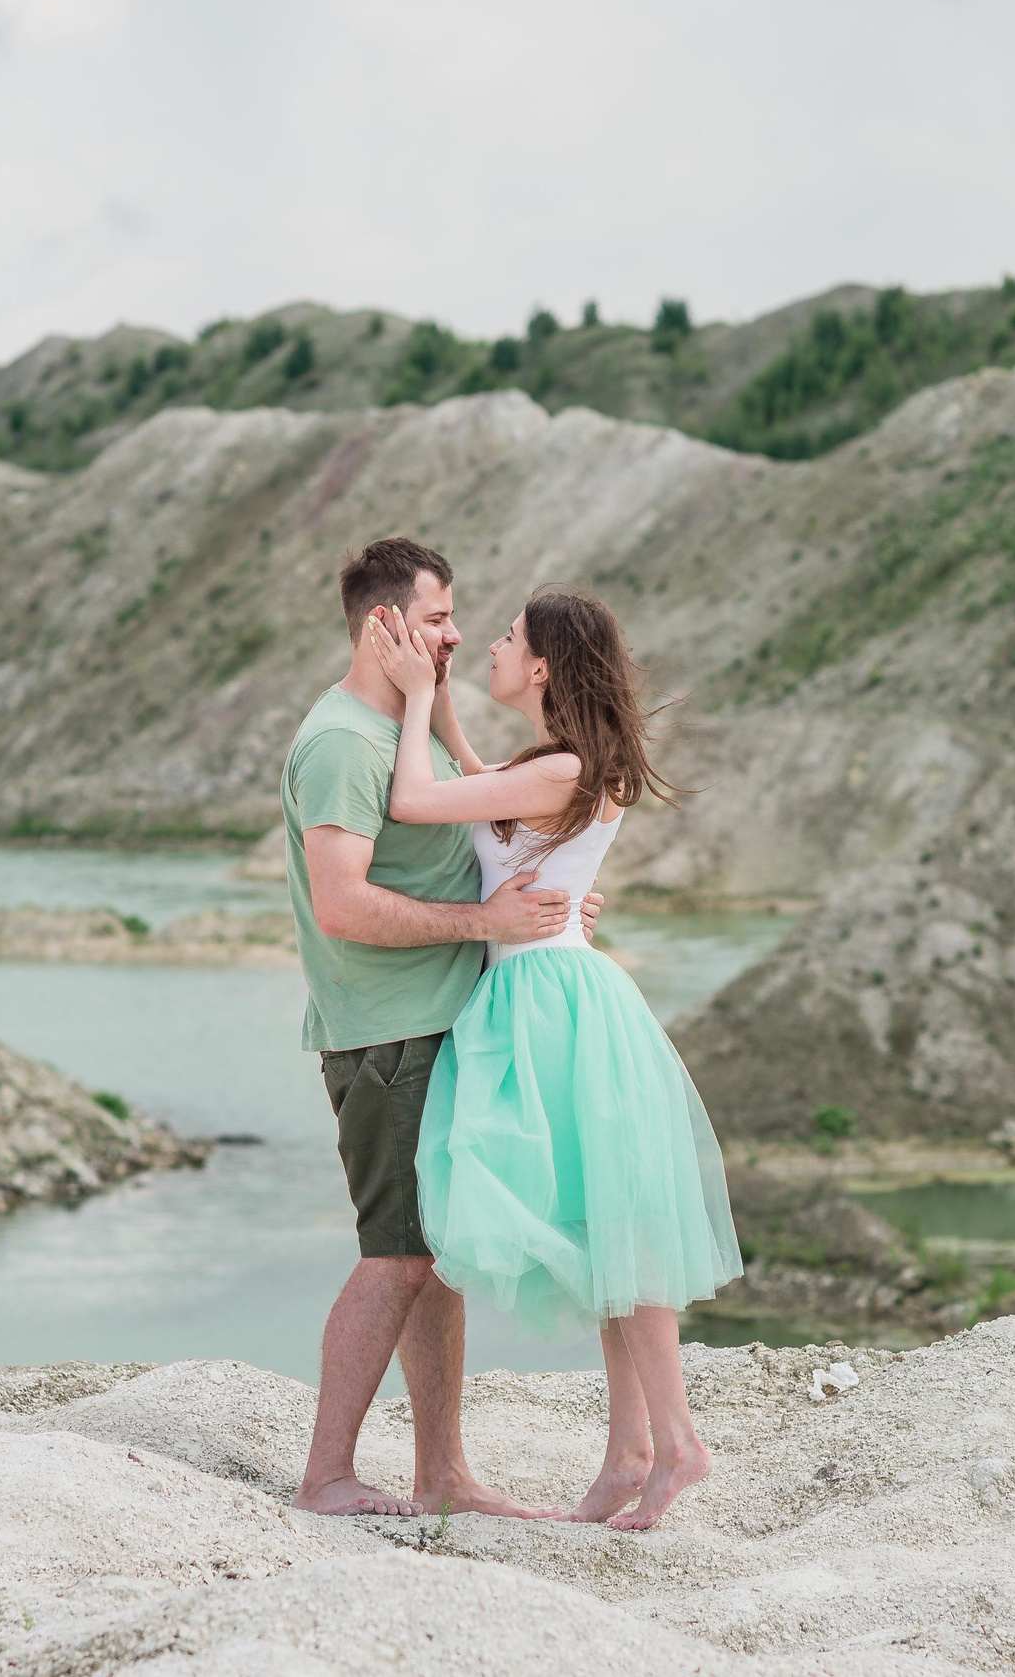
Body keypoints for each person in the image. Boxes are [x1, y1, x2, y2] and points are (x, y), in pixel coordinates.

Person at [366, 584, 741, 1531]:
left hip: (548, 1003)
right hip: (562, 994)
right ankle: (631, 1454)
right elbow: (492, 801)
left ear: (540, 666)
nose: (487, 643)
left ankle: (677, 1441)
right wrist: (446, 705)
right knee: (603, 1224)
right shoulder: (561, 767)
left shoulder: (559, 769)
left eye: (504, 636)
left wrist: (413, 695)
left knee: (614, 1227)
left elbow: (416, 801)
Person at [281, 536, 601, 1520]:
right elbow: (341, 905)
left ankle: (441, 1473)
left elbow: (476, 832)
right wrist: (487, 923)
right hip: (385, 1034)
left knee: (434, 1250)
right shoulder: (345, 743)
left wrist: (547, 906)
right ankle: (327, 1473)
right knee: (395, 1250)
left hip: (435, 1020)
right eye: (435, 617)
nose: (455, 633)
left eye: (457, 616)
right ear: (384, 625)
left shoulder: (396, 733)